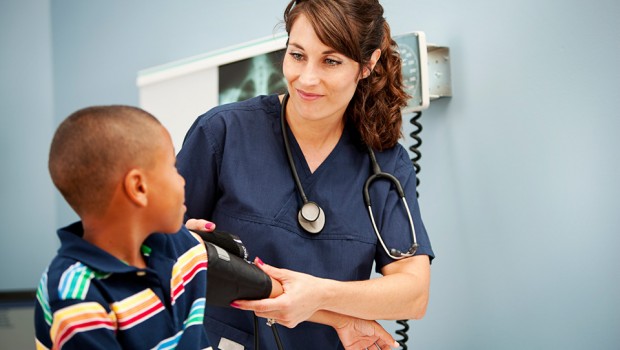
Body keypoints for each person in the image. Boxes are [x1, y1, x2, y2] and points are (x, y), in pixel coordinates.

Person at [179, 0, 435, 349]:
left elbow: (413, 295)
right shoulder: (223, 133)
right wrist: (338, 314)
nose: (307, 78)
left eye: (331, 61)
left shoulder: (386, 164)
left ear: (367, 64)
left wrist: (320, 294)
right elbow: (166, 252)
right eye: (297, 55)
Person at [34, 105, 211, 349]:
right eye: (173, 167)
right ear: (138, 187)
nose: (183, 180)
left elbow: (255, 281)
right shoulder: (75, 297)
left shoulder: (182, 245)